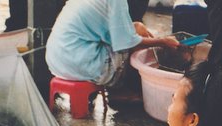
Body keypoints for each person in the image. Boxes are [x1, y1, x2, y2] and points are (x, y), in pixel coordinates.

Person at [46, 0, 179, 88]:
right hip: (78, 64)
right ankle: (129, 91)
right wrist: (163, 42)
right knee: (137, 46)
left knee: (137, 28)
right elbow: (129, 42)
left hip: (57, 61)